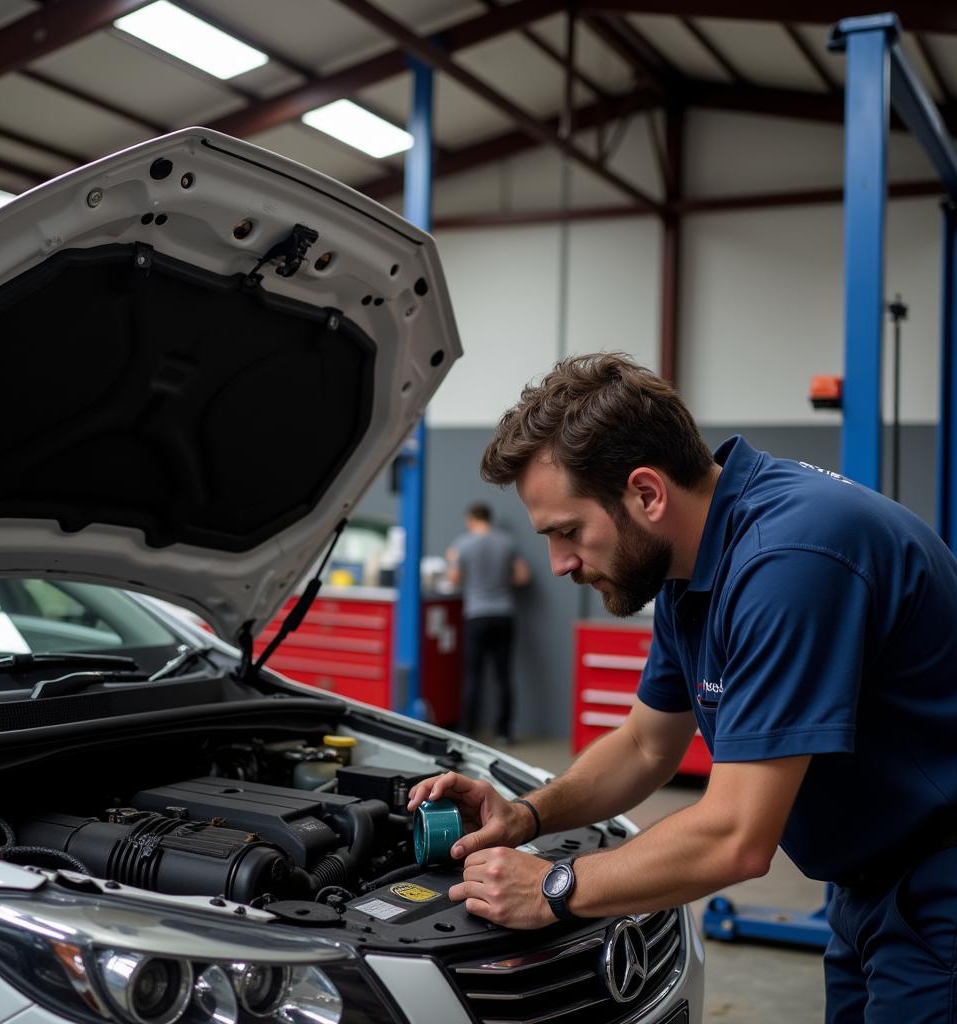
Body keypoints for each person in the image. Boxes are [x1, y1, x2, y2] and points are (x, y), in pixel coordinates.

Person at [408, 352, 957, 1024]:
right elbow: (645, 745)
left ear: (646, 493)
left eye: (568, 532)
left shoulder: (790, 560)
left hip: (939, 886)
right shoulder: (691, 567)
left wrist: (555, 885)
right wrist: (526, 816)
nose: (559, 565)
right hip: (867, 890)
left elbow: (736, 837)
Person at [446, 502, 530, 744]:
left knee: (473, 674)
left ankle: (468, 731)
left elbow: (453, 580)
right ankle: (504, 732)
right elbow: (523, 577)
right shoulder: (507, 542)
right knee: (503, 675)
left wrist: (453, 561)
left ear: (471, 519)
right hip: (504, 613)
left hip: (476, 614)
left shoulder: (462, 543)